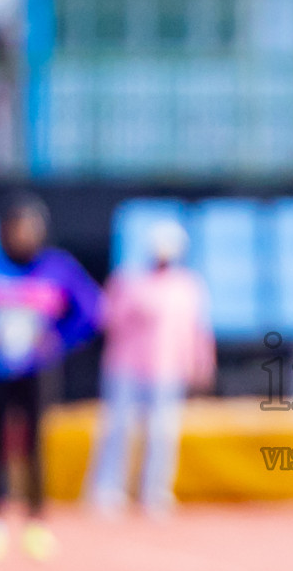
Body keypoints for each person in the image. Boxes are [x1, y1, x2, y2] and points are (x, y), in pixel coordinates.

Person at [0, 195, 100, 562]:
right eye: (15, 229)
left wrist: (59, 339)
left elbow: (92, 309)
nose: (21, 236)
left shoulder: (57, 269)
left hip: (37, 371)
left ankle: (36, 520)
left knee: (34, 446)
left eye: (28, 229)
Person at [86, 220, 214, 518]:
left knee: (163, 431)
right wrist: (134, 310)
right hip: (126, 367)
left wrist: (201, 363)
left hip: (168, 369)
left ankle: (155, 492)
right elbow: (107, 319)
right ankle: (107, 490)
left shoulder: (188, 285)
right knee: (118, 428)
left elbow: (198, 330)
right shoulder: (128, 281)